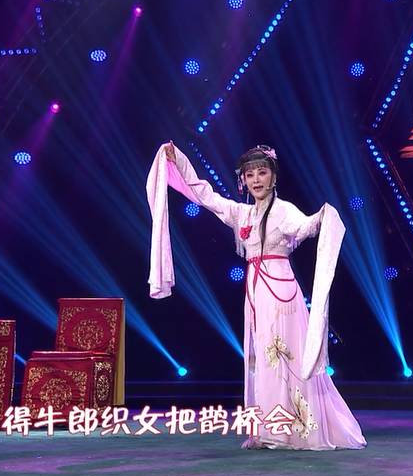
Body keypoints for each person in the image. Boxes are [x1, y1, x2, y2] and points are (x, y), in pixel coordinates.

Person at [147, 140, 366, 450]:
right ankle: (268, 429)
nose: (256, 180)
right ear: (244, 181)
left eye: (262, 173)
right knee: (262, 359)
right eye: (250, 175)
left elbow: (305, 226)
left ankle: (293, 429)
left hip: (281, 294)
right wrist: (177, 161)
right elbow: (204, 194)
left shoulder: (284, 211)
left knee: (283, 357)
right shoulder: (242, 214)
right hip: (255, 293)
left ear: (273, 176)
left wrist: (321, 218)